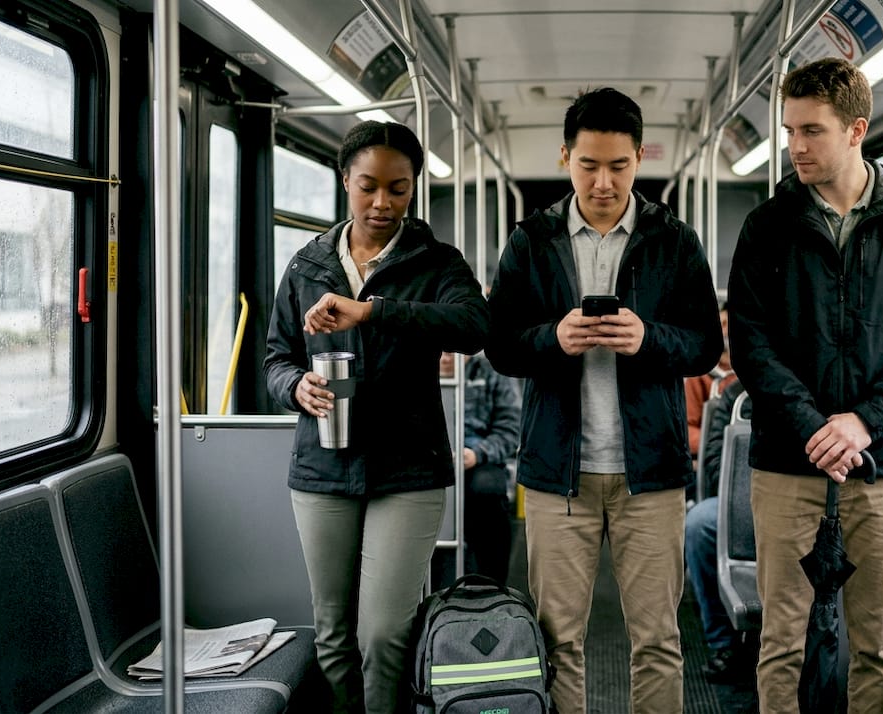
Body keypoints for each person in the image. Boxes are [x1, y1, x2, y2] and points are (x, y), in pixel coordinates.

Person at [727, 57, 883, 713]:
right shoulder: (768, 227)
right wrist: (814, 427)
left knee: (876, 641)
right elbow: (752, 342)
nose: (796, 146)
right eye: (790, 130)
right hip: (787, 457)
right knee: (782, 640)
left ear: (856, 129)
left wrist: (859, 422)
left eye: (812, 131)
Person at [485, 87, 723, 714]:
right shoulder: (530, 241)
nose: (603, 181)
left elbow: (705, 346)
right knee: (560, 640)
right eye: (589, 165)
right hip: (556, 470)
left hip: (651, 472)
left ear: (640, 158)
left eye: (619, 166)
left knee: (659, 640)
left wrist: (647, 339)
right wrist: (552, 338)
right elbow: (501, 344)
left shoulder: (673, 240)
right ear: (565, 157)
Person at [263, 120, 489, 713]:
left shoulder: (436, 261)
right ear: (345, 181)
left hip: (407, 468)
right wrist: (296, 388)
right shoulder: (308, 263)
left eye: (399, 188)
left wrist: (372, 312)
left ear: (414, 188)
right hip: (323, 466)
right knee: (333, 635)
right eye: (368, 186)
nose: (382, 203)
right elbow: (275, 359)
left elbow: (474, 326)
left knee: (383, 632)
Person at [684, 376, 753, 683]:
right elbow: (715, 464)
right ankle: (722, 643)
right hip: (744, 500)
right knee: (700, 523)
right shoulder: (736, 397)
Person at [438, 350, 522, 584]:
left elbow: (511, 429)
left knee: (487, 491)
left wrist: (476, 454)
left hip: (479, 460)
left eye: (452, 351)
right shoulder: (413, 372)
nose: (445, 358)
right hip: (430, 461)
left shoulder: (493, 372)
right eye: (439, 351)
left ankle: (491, 586)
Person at [685, 302, 737, 460]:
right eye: (721, 324)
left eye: (729, 324)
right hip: (711, 456)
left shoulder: (755, 374)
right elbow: (687, 427)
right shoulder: (700, 375)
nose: (725, 330)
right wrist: (718, 445)